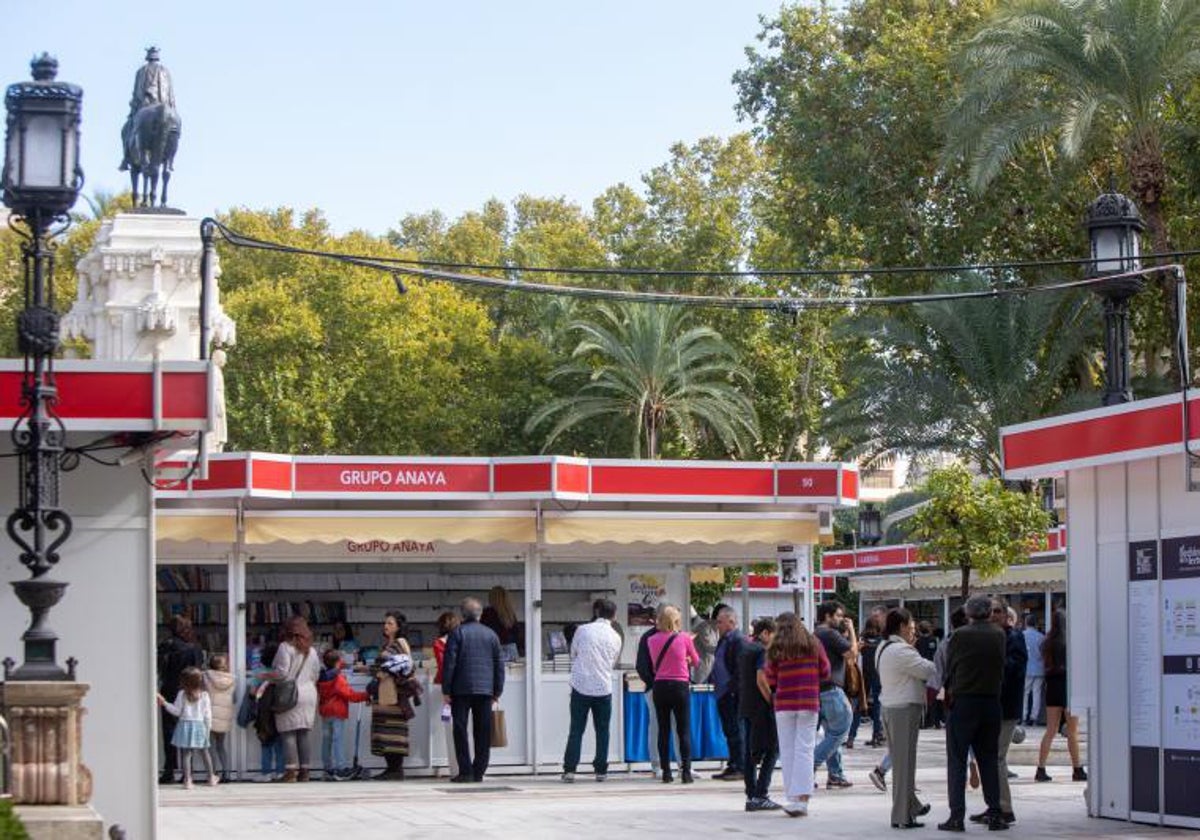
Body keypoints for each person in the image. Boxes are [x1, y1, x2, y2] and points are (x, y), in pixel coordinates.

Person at [938, 595, 1007, 833]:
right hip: (991, 702)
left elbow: (951, 667)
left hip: (964, 701)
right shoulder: (999, 634)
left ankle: (956, 816)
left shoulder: (960, 635)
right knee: (988, 758)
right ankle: (995, 813)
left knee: (957, 759)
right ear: (989, 612)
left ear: (968, 613)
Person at [764, 611, 830, 817]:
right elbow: (826, 671)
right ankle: (802, 799)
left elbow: (771, 678)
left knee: (787, 750)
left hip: (784, 703)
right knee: (805, 749)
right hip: (809, 701)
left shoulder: (776, 648)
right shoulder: (813, 644)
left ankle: (792, 797)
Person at [877, 608, 935, 830]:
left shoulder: (884, 647)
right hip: (903, 710)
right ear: (901, 627)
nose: (914, 634)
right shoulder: (902, 651)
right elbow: (928, 670)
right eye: (911, 629)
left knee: (904, 762)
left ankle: (911, 806)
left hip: (891, 707)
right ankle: (901, 816)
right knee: (904, 765)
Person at [972, 603, 1026, 826]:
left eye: (997, 612)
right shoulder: (994, 637)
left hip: (1005, 708)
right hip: (991, 706)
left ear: (1007, 616)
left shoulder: (1013, 638)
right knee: (990, 758)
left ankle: (1004, 808)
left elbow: (1012, 669)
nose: (992, 615)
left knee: (997, 758)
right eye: (990, 611)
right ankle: (994, 805)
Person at [443, 597, 505, 783]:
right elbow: (499, 665)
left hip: (461, 690)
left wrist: (446, 689)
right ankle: (479, 771)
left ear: (462, 614)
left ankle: (465, 771)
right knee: (483, 731)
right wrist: (497, 691)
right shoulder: (491, 635)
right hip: (485, 691)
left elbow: (450, 664)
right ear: (481, 614)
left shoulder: (457, 633)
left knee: (460, 729)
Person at [561, 598, 622, 783]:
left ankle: (570, 769)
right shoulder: (616, 636)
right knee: (603, 730)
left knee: (576, 729)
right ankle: (601, 769)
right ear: (614, 615)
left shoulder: (582, 630)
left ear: (597, 612)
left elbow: (573, 653)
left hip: (581, 685)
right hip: (603, 687)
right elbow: (613, 661)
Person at [647, 604, 700, 784]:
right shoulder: (684, 638)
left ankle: (666, 772)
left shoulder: (651, 640)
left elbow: (655, 664)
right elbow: (697, 660)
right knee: (682, 730)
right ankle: (686, 772)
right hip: (680, 685)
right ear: (676, 621)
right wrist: (685, 660)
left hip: (660, 685)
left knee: (663, 729)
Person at [1035, 610, 1086, 783]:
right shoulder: (1071, 642)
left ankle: (1040, 768)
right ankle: (1077, 769)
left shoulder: (1046, 643)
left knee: (1050, 730)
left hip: (1052, 687)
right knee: (1072, 731)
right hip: (1069, 687)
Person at [272, 615, 321, 783]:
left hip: (289, 693)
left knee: (288, 733)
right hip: (309, 693)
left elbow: (282, 673)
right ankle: (305, 772)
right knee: (304, 733)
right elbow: (316, 674)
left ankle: (291, 771)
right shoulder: (312, 650)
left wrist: (265, 676)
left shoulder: (285, 647)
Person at [369, 611, 418, 780]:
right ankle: (391, 769)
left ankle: (395, 769)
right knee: (385, 731)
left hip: (393, 695)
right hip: (386, 694)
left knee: (393, 732)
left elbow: (398, 666)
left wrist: (377, 670)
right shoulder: (390, 644)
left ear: (398, 627)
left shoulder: (399, 643)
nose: (386, 626)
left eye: (390, 623)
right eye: (385, 623)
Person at [813, 601, 857, 788]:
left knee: (831, 733)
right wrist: (853, 632)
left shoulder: (815, 634)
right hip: (831, 690)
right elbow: (851, 654)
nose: (841, 619)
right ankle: (809, 766)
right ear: (827, 616)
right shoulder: (829, 633)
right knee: (840, 731)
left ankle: (835, 774)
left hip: (818, 691)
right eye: (838, 616)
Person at [738, 617, 780, 812]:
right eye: (773, 636)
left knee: (750, 752)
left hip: (745, 705)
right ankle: (761, 794)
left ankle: (752, 793)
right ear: (764, 633)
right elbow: (761, 680)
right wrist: (772, 701)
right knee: (772, 749)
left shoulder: (745, 649)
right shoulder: (762, 651)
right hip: (760, 708)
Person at [156, 615, 203, 784]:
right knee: (187, 730)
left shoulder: (166, 645)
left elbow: (158, 668)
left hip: (169, 689)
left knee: (169, 731)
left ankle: (169, 770)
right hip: (189, 691)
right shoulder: (195, 648)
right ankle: (187, 772)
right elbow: (198, 672)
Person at [156, 667, 218, 790]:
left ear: (184, 681)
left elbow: (177, 711)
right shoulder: (204, 695)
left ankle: (187, 780)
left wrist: (164, 703)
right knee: (205, 752)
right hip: (200, 726)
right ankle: (211, 777)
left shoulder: (181, 694)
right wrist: (208, 728)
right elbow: (208, 714)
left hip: (185, 725)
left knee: (186, 754)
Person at [634, 607, 677, 779]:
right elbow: (642, 666)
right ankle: (656, 764)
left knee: (677, 726)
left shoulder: (677, 636)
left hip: (673, 686)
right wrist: (653, 684)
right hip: (656, 688)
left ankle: (682, 764)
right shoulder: (648, 637)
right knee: (657, 726)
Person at [120, 47, 175, 171]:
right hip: (166, 106)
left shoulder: (141, 71)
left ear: (148, 57)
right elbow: (171, 94)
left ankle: (125, 159)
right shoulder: (165, 71)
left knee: (125, 130)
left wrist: (133, 109)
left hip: (145, 105)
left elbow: (136, 93)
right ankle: (170, 162)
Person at [318, 648, 369, 780]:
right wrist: (366, 695)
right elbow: (349, 695)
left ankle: (327, 768)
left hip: (325, 711)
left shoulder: (322, 677)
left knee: (326, 741)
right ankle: (340, 767)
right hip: (337, 711)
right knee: (338, 740)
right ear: (338, 661)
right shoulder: (338, 677)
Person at [710, 605, 745, 780]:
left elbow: (740, 669)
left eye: (720, 622)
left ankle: (740, 766)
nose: (718, 625)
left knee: (736, 730)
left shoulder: (737, 640)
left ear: (731, 621)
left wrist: (732, 689)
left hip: (731, 693)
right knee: (729, 730)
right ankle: (733, 763)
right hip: (723, 693)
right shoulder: (724, 640)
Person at [433, 610, 461, 779]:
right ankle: (465, 765)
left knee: (449, 727)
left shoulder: (439, 643)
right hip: (464, 687)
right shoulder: (463, 640)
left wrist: (446, 690)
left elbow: (443, 667)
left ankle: (455, 768)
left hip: (446, 688)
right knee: (464, 728)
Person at [203, 653, 236, 784]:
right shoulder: (232, 679)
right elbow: (234, 698)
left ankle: (212, 773)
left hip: (210, 714)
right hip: (224, 715)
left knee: (209, 746)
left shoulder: (206, 677)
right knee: (221, 746)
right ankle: (227, 773)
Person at [859, 607, 888, 748]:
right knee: (878, 705)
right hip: (879, 674)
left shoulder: (862, 640)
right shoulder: (882, 640)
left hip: (865, 674)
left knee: (860, 704)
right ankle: (878, 734)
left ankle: (852, 736)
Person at [481, 585, 523, 659]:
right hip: (511, 650)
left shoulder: (487, 613)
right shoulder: (510, 614)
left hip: (493, 650)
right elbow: (517, 635)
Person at [691, 603, 724, 683]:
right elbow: (710, 647)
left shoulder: (716, 628)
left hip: (711, 671)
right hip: (702, 672)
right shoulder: (704, 627)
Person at [1022, 614, 1046, 726]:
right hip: (1039, 668)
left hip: (1026, 668)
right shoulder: (1041, 637)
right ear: (1036, 624)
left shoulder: (1022, 635)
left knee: (1025, 693)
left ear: (1026, 623)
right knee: (1037, 693)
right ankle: (1034, 717)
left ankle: (1023, 716)